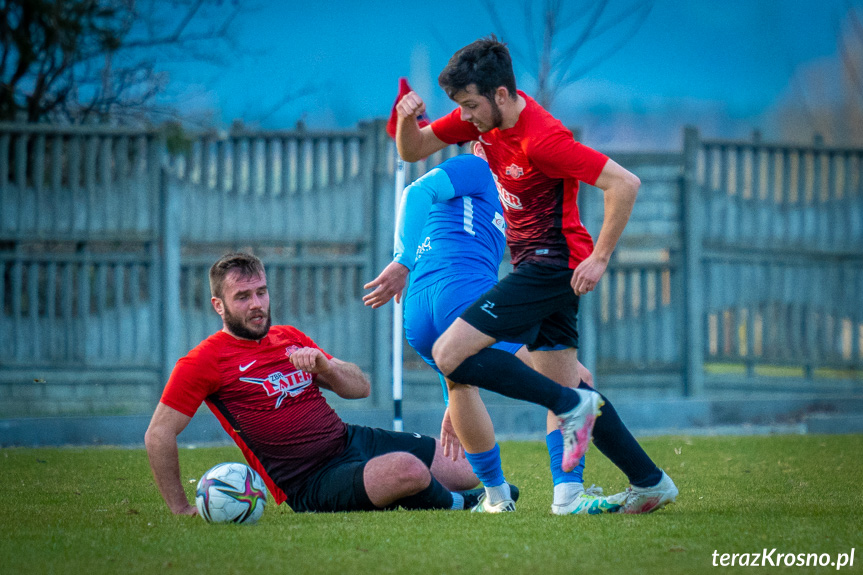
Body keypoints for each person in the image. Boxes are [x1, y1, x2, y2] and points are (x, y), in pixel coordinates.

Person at [393, 36, 677, 513]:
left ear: (500, 95)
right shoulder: (482, 119)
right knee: (569, 385)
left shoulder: (542, 139)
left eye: (470, 106)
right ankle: (638, 484)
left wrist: (601, 256)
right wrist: (404, 116)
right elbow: (413, 148)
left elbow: (623, 183)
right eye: (460, 107)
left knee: (450, 353)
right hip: (537, 265)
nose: (465, 117)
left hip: (553, 265)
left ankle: (571, 412)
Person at [364, 141, 617, 515]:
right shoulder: (475, 165)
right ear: (481, 144)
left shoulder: (503, 200)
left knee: (461, 387)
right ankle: (569, 493)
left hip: (419, 310)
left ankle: (496, 498)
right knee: (574, 377)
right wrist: (401, 260)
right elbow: (415, 191)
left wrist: (452, 401)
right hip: (460, 293)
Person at [144, 252, 492, 515]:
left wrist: (325, 366)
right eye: (243, 297)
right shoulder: (203, 361)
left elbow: (360, 388)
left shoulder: (288, 336)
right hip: (309, 479)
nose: (257, 305)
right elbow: (158, 433)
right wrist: (180, 508)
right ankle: (460, 506)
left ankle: (433, 490)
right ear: (218, 306)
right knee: (407, 469)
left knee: (466, 466)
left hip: (350, 440)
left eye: (261, 292)